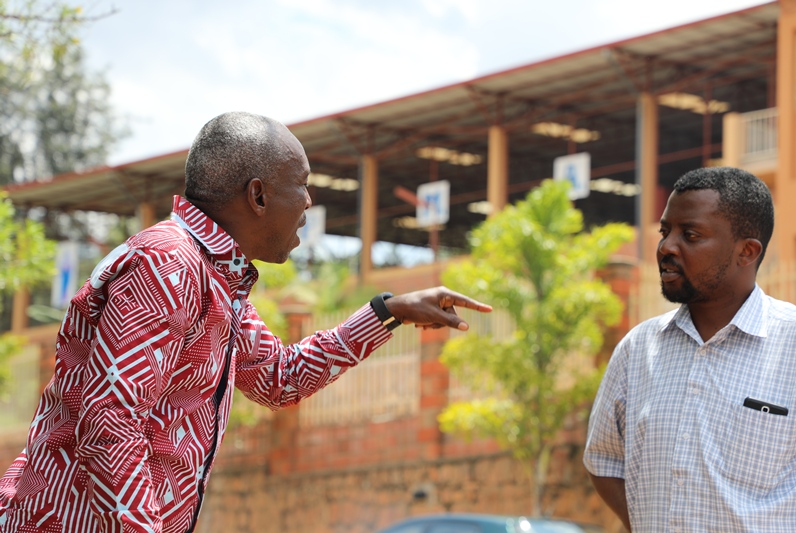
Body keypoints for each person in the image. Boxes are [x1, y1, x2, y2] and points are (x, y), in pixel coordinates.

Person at [0, 112, 492, 533]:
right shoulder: (168, 263)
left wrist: (390, 311)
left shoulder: (215, 277)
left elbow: (280, 379)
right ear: (258, 195)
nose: (308, 202)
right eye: (301, 184)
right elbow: (110, 420)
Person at [583, 166, 796, 532]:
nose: (666, 247)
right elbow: (604, 461)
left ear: (746, 252)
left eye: (691, 234)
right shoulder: (638, 349)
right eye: (665, 231)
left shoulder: (794, 345)